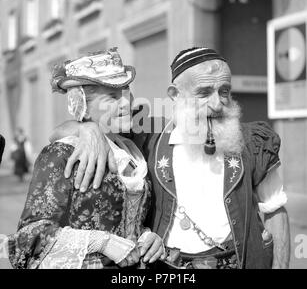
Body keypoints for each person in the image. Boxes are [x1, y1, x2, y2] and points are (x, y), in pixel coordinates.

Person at [51, 47, 290, 269]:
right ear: (175, 95)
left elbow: (275, 212)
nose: (218, 104)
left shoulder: (252, 142)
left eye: (224, 91)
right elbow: (59, 133)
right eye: (204, 93)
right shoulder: (146, 141)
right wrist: (86, 129)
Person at [8, 48, 165, 269]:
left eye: (126, 93)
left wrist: (148, 237)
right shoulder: (61, 154)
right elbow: (27, 241)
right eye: (111, 97)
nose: (126, 104)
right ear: (83, 106)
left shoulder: (132, 148)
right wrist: (101, 242)